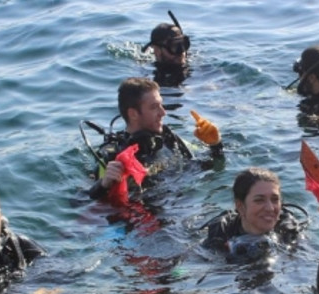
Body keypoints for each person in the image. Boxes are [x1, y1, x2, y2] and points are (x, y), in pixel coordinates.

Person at [87, 77, 223, 201]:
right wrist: (104, 184)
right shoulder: (112, 156)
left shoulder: (170, 140)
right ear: (133, 114)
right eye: (154, 107)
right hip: (143, 220)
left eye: (161, 105)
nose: (163, 113)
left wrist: (215, 145)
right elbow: (84, 202)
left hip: (182, 206)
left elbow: (209, 165)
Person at [201, 168, 304, 259]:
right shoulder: (220, 234)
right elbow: (186, 268)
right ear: (240, 206)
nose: (270, 208)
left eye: (274, 199)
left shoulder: (289, 232)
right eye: (259, 200)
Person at [141, 15, 190, 87]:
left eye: (183, 44)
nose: (181, 52)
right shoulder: (149, 74)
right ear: (157, 50)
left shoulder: (196, 61)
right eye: (174, 47)